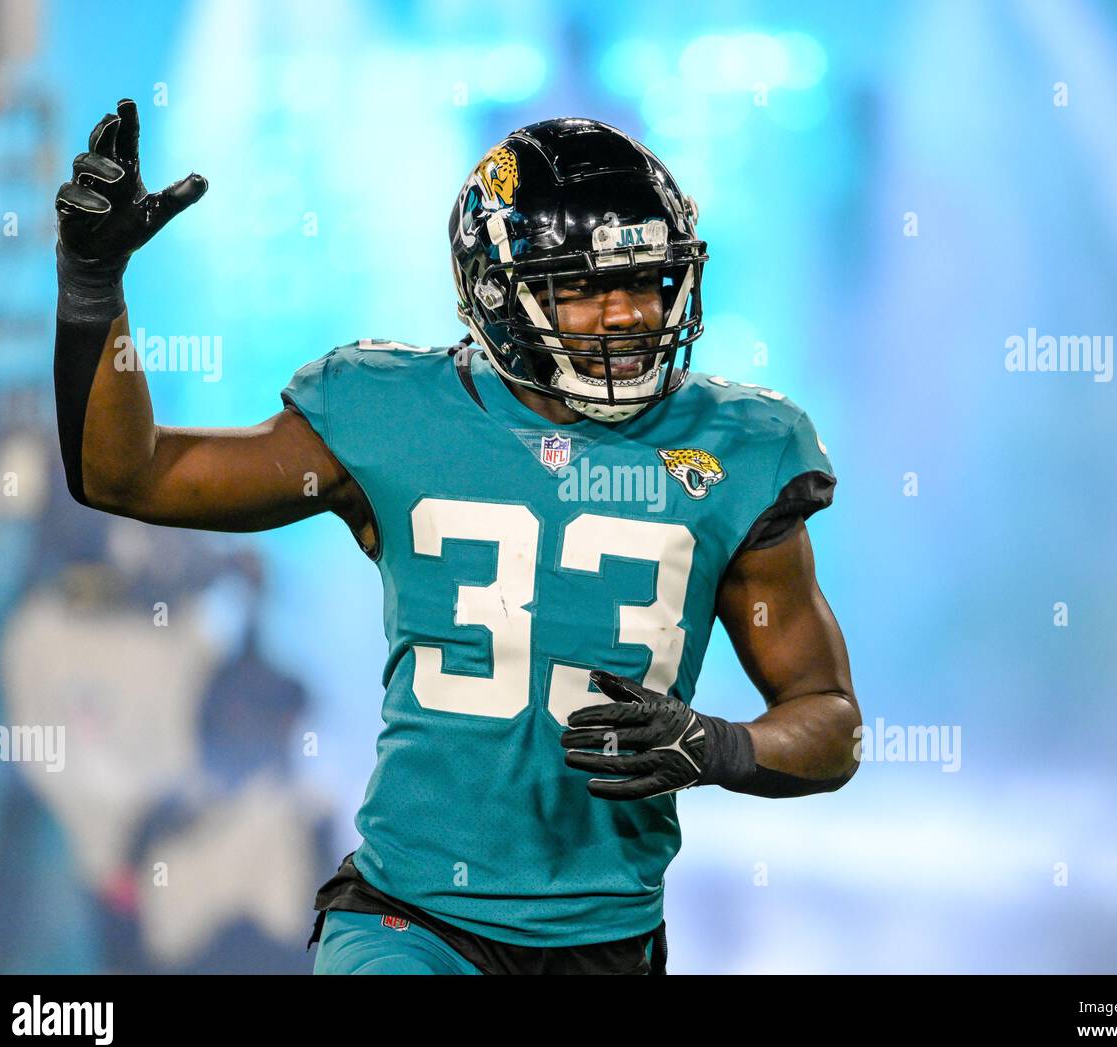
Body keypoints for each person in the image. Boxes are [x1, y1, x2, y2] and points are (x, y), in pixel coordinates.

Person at [53, 100, 863, 975]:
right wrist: (93, 283)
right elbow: (127, 473)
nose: (627, 313)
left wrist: (716, 747)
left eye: (648, 280)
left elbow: (829, 722)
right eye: (585, 286)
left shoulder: (739, 445)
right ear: (496, 292)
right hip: (410, 917)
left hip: (607, 936)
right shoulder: (390, 410)